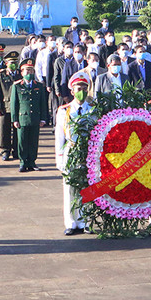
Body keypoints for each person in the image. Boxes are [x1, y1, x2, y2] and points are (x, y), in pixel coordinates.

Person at [55, 72, 92, 235]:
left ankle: (85, 221)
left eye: (84, 89)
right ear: (72, 91)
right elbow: (59, 138)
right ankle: (71, 222)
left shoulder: (92, 109)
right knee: (70, 188)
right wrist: (59, 159)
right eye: (79, 89)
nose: (81, 92)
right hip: (71, 151)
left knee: (86, 187)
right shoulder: (64, 111)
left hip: (87, 153)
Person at [10, 58, 47, 173]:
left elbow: (43, 103)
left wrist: (43, 118)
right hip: (22, 118)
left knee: (33, 141)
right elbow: (14, 104)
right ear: (22, 73)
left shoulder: (39, 86)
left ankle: (32, 162)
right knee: (22, 141)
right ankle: (22, 162)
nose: (29, 73)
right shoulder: (17, 86)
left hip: (35, 118)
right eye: (27, 70)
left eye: (31, 70)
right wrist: (15, 119)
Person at [0, 52, 22, 162]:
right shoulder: (0, 74)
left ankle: (16, 150)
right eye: (11, 63)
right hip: (5, 106)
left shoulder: (20, 74)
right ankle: (5, 150)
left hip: (18, 107)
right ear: (6, 63)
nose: (14, 64)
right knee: (4, 129)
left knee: (17, 129)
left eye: (15, 62)